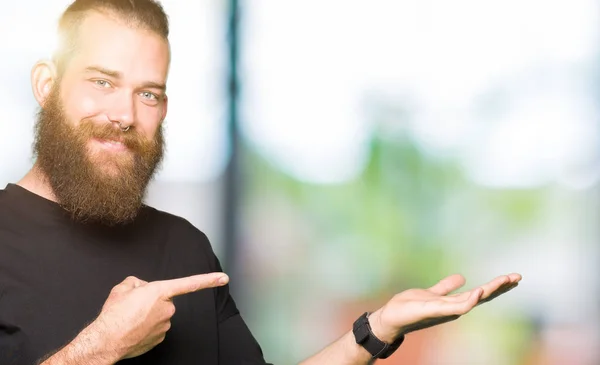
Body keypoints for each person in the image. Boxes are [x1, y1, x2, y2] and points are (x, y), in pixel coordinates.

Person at [0, 0, 522, 364]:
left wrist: (378, 328)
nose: (125, 113)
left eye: (149, 94)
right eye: (102, 81)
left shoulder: (184, 247)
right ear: (47, 85)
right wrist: (101, 348)